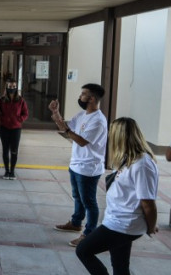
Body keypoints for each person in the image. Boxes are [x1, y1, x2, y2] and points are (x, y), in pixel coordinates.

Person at [76, 117, 158, 274]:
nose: (109, 136)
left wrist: (151, 226)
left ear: (120, 136)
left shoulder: (142, 165)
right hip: (118, 220)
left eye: (111, 133)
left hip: (123, 224)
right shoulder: (129, 157)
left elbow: (148, 203)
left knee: (83, 250)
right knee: (120, 266)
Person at [49, 83, 108, 247]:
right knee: (77, 196)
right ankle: (76, 222)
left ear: (92, 98)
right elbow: (65, 127)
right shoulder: (82, 114)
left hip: (89, 167)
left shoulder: (98, 121)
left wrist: (67, 132)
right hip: (76, 164)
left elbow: (81, 141)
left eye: (83, 94)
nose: (80, 97)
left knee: (89, 201)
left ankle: (89, 234)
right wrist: (56, 113)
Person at [0, 79, 29, 180]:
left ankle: (12, 171)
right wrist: (2, 119)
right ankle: (6, 171)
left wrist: (19, 119)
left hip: (16, 129)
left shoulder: (21, 100)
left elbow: (25, 113)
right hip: (4, 128)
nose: (12, 88)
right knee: (5, 150)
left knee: (14, 150)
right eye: (10, 86)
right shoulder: (1, 100)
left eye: (14, 86)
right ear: (6, 87)